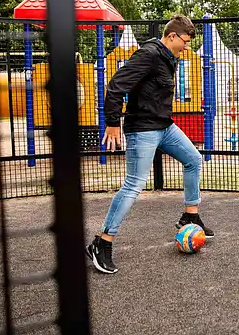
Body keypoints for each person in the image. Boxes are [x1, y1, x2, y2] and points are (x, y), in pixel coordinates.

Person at [86, 14, 214, 274]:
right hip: (142, 130)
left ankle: (190, 215)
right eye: (186, 41)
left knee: (193, 159)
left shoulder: (169, 57)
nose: (187, 47)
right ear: (172, 36)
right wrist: (112, 123)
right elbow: (115, 87)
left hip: (164, 126)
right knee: (134, 185)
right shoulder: (149, 55)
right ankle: (102, 242)